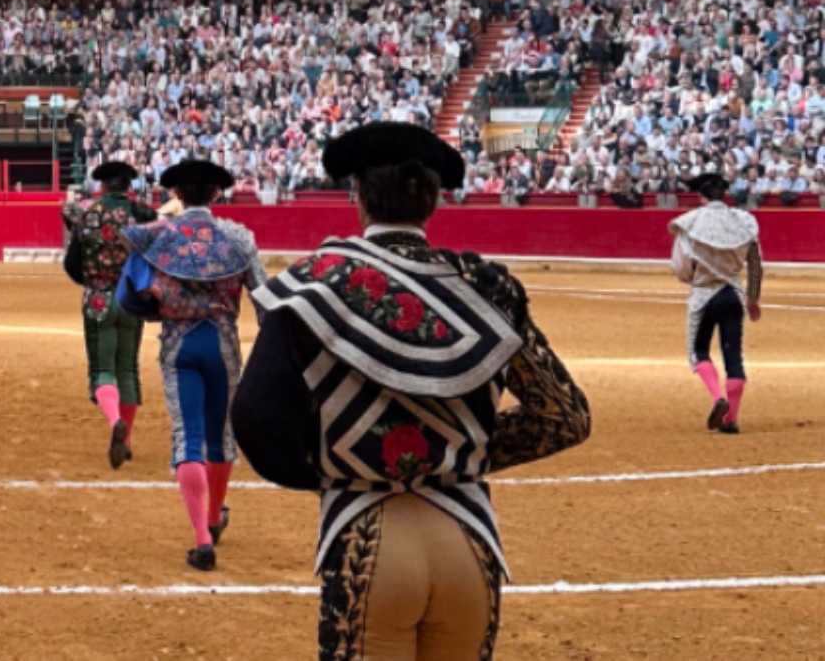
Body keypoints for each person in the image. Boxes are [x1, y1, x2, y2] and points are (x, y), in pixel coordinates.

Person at [233, 123, 592, 660]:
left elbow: (257, 420)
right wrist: (457, 454)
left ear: (358, 196)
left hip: (365, 531)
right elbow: (565, 417)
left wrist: (337, 465)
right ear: (434, 202)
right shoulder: (487, 286)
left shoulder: (314, 285)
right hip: (468, 536)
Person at [116, 159, 262, 571]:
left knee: (189, 437)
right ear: (216, 194)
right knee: (221, 436)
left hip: (179, 344)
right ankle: (215, 516)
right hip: (223, 344)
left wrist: (158, 306)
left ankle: (202, 540)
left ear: (177, 194)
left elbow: (128, 298)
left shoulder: (155, 237)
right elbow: (264, 299)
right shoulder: (236, 237)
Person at [62, 161, 156, 468]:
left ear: (101, 186)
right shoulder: (142, 214)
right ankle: (125, 439)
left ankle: (115, 419)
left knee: (103, 369)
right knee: (128, 369)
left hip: (99, 298)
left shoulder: (83, 212)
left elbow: (72, 258)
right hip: (130, 297)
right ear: (128, 186)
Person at [669, 172, 762, 434]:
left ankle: (717, 397)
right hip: (733, 295)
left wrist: (693, 279)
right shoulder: (743, 222)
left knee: (698, 351)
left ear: (701, 196)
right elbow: (755, 264)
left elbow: (681, 267)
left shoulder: (691, 224)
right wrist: (753, 298)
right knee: (734, 356)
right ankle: (731, 419)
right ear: (725, 195)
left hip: (703, 296)